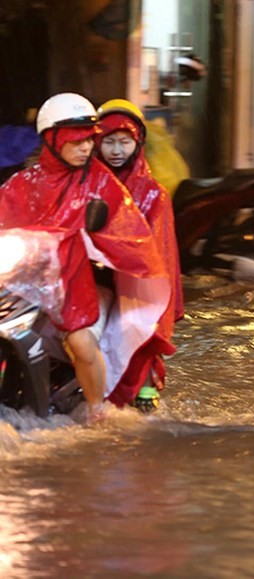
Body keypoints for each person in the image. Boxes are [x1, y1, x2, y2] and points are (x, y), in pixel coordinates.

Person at [0, 92, 170, 421]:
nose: (86, 148)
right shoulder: (22, 183)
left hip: (81, 285)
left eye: (89, 141)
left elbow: (129, 236)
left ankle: (97, 412)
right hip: (28, 284)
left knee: (80, 344)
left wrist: (94, 244)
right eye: (77, 142)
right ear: (52, 140)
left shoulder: (101, 184)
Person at [96, 98, 184, 412]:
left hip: (139, 279)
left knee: (140, 322)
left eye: (125, 141)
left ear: (138, 143)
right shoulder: (86, 183)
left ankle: (145, 384)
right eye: (108, 141)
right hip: (94, 272)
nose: (117, 150)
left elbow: (159, 250)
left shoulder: (153, 193)